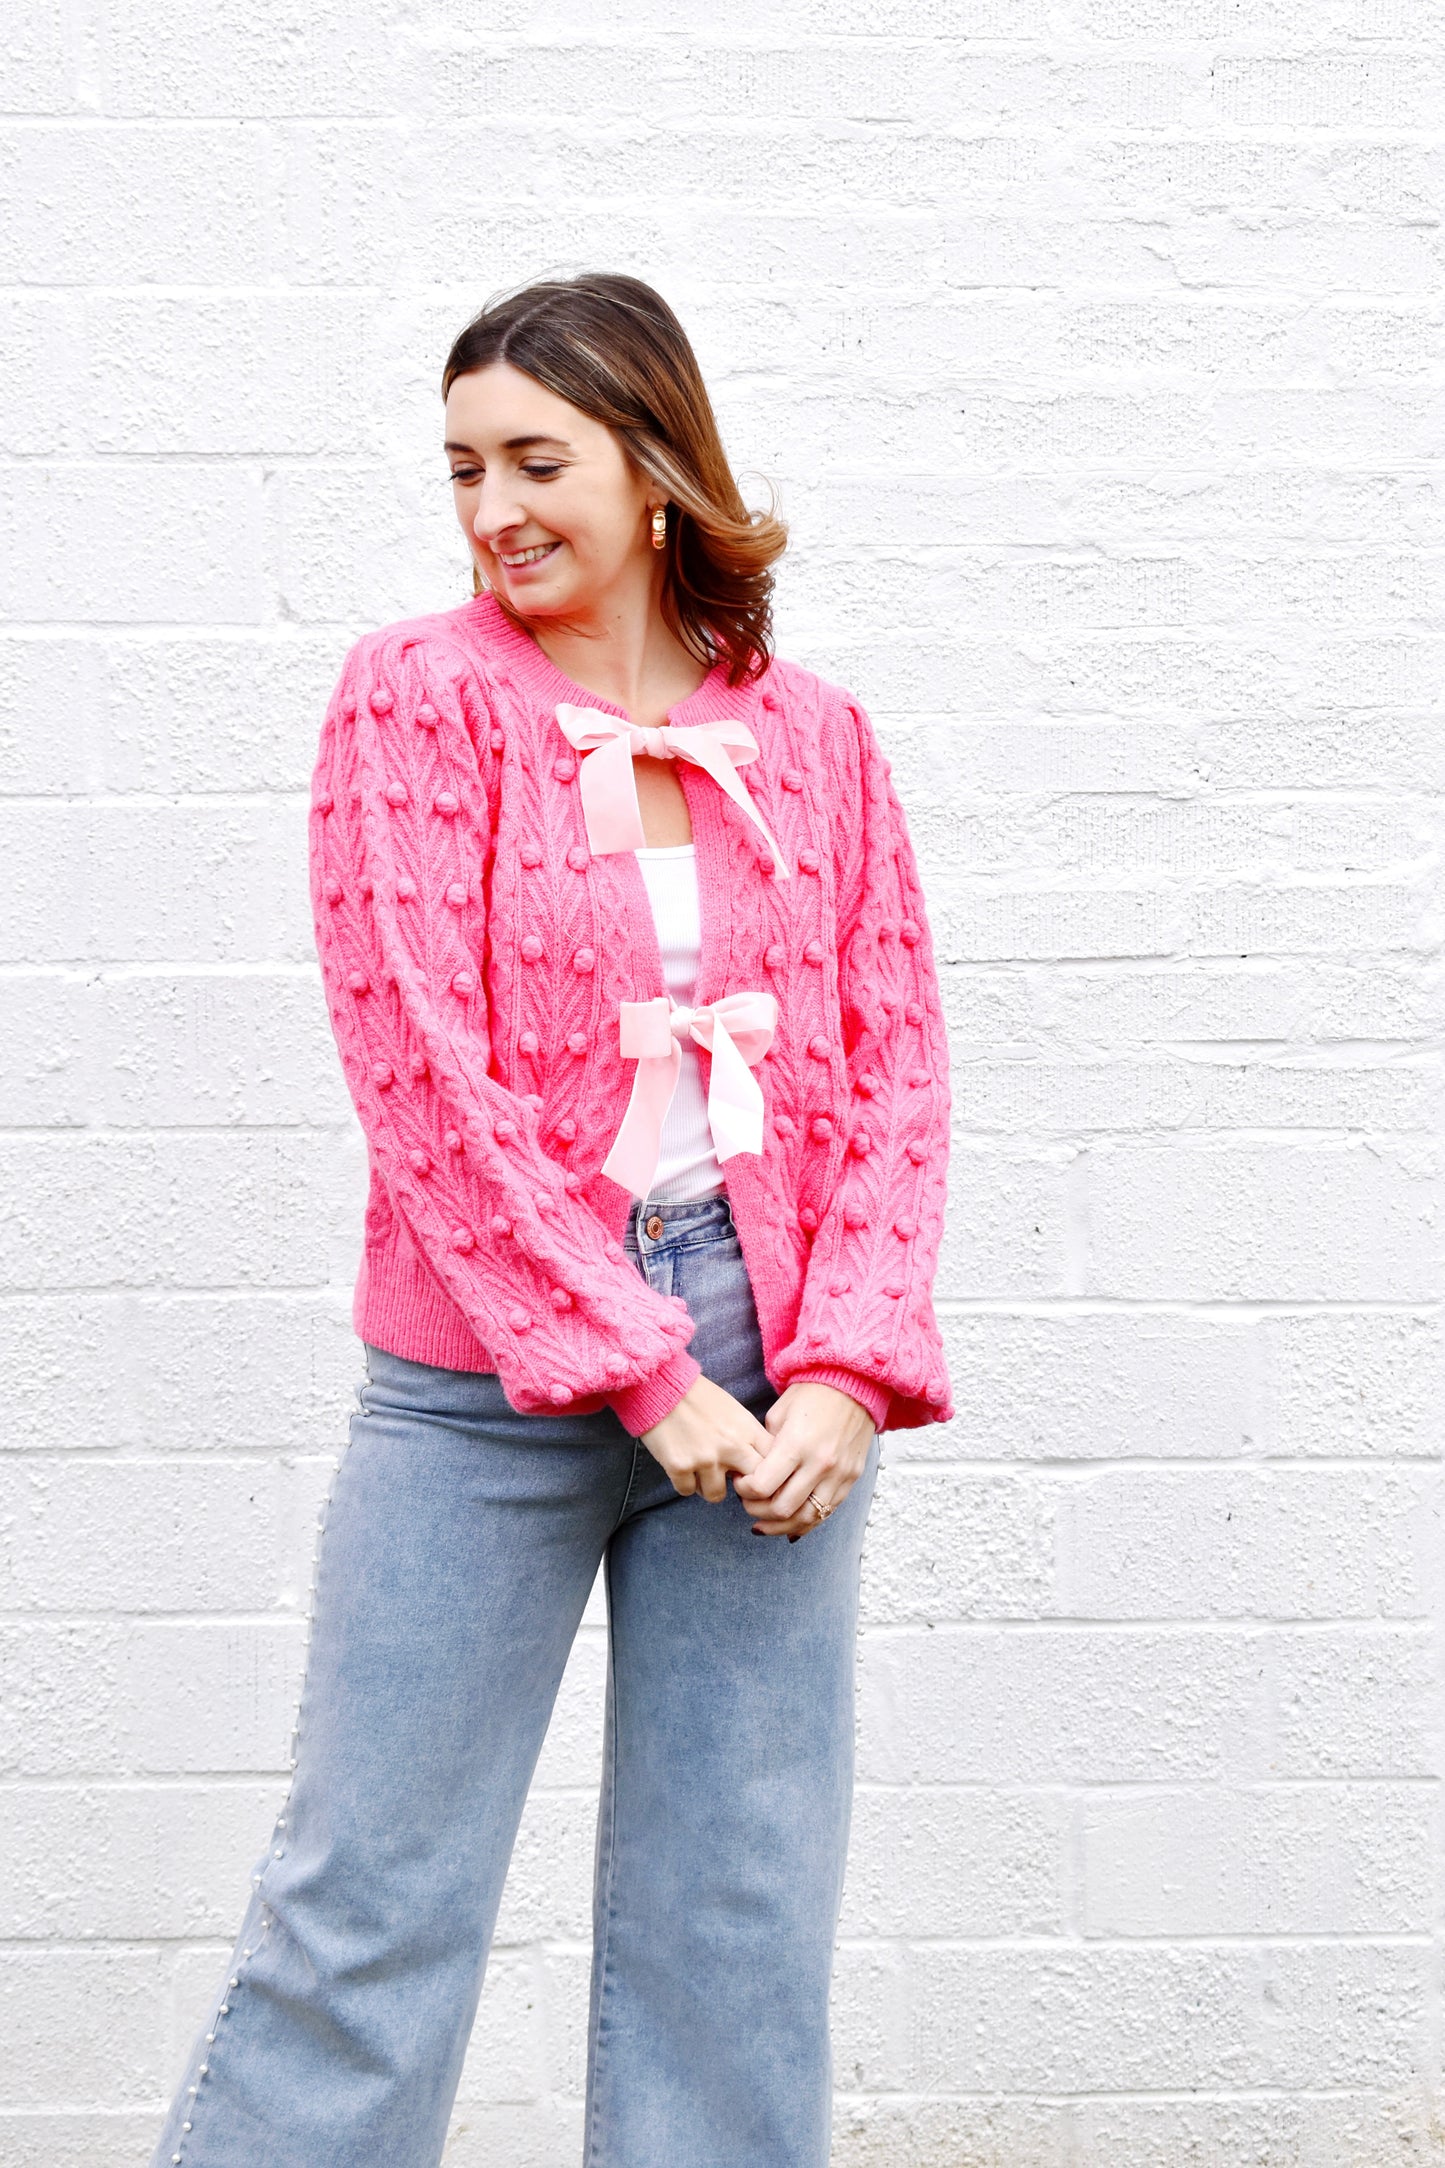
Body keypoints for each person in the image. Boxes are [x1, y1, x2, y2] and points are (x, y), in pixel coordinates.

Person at [149, 272, 954, 2168]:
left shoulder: (816, 735)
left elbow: (895, 1065)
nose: (492, 507)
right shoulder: (414, 699)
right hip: (478, 1386)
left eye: (535, 460)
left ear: (656, 469)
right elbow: (417, 1064)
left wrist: (845, 1367)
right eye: (461, 470)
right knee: (374, 1908)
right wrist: (632, 1366)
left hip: (769, 1368)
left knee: (737, 1918)